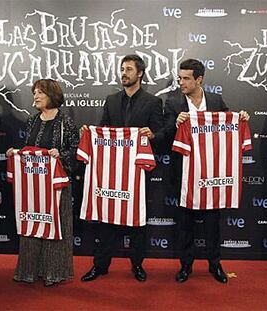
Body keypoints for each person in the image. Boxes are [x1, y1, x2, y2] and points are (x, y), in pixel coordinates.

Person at [80, 54, 164, 282]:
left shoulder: (153, 102)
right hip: (110, 171)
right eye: (122, 69)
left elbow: (162, 134)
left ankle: (137, 265)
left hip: (137, 172)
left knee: (137, 221)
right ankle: (100, 266)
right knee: (107, 220)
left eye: (128, 69)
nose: (124, 73)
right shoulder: (111, 99)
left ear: (140, 73)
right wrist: (90, 134)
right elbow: (103, 129)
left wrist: (152, 135)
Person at [165, 59, 249, 283]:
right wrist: (176, 123)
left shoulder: (216, 100)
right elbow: (164, 136)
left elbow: (228, 128)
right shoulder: (173, 103)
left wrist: (241, 119)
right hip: (184, 176)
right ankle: (186, 266)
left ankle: (215, 265)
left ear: (199, 80)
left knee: (213, 225)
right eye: (179, 78)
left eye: (185, 78)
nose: (181, 82)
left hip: (212, 177)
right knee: (185, 227)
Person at [6, 79, 79, 287]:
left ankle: (53, 272)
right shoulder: (32, 120)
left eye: (40, 93)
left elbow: (76, 152)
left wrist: (61, 154)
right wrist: (14, 154)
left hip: (57, 185)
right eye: (34, 93)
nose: (35, 97)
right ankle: (28, 271)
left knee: (56, 226)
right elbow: (28, 150)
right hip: (33, 186)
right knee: (32, 222)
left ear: (52, 95)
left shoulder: (66, 122)